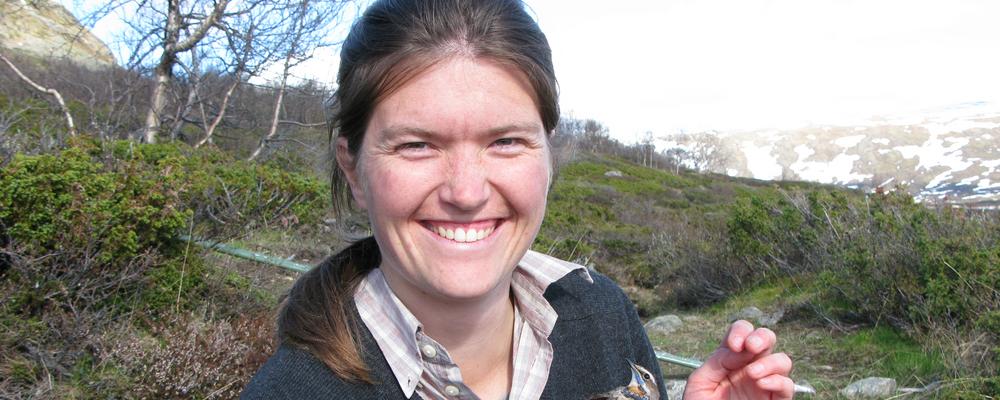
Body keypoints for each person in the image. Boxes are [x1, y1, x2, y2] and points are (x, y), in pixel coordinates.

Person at [242, 0, 794, 398]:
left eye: (505, 141)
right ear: (354, 170)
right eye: (417, 145)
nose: (466, 191)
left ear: (547, 155)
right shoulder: (296, 389)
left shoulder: (598, 311)